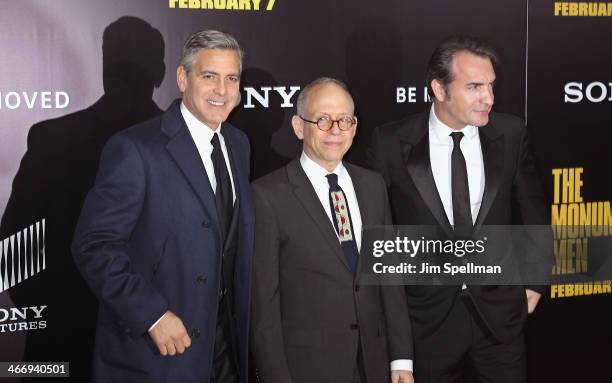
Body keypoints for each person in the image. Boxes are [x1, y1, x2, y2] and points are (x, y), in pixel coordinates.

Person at [72, 30, 254, 383]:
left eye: (232, 78)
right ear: (183, 78)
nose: (222, 90)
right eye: (209, 76)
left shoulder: (238, 143)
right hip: (155, 356)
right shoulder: (135, 148)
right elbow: (93, 245)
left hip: (224, 353)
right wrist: (151, 315)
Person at [369, 35, 551, 383]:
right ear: (439, 89)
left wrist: (534, 284)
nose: (489, 98)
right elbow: (379, 233)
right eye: (474, 87)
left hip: (499, 319)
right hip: (427, 321)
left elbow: (533, 211)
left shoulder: (511, 134)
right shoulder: (391, 143)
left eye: (491, 85)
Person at [251, 77, 413, 383]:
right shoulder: (267, 196)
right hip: (307, 369)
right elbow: (263, 307)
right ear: (299, 127)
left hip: (374, 365)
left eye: (344, 120)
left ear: (354, 127)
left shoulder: (373, 185)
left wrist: (401, 359)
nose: (335, 130)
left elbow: (390, 277)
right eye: (323, 120)